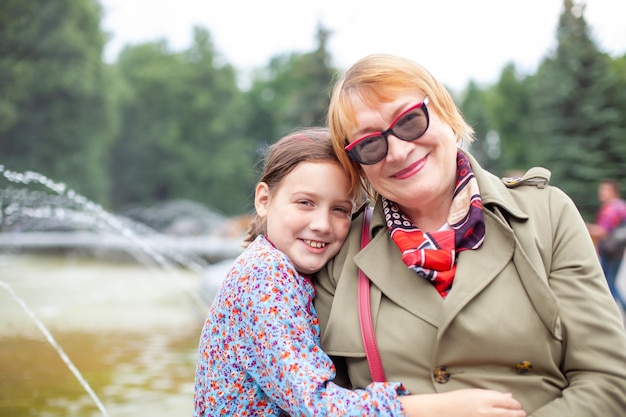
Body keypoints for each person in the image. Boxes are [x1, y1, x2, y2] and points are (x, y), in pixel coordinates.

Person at [314, 54, 626, 417]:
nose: (398, 151)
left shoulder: (546, 215)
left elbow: (608, 379)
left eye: (410, 120)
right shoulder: (340, 250)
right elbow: (316, 401)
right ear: (358, 164)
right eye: (370, 144)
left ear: (444, 111)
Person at [193, 128, 527, 416]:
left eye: (340, 209)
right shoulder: (266, 275)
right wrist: (439, 408)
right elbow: (314, 404)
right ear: (264, 199)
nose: (322, 224)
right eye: (305, 203)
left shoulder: (275, 265)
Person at [588, 179, 626, 308]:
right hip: (618, 250)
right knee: (611, 282)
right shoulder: (622, 206)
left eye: (605, 189)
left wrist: (584, 227)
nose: (601, 192)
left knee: (609, 284)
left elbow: (602, 232)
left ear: (613, 191)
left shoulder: (610, 209)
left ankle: (613, 312)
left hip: (609, 251)